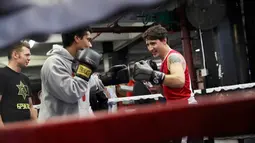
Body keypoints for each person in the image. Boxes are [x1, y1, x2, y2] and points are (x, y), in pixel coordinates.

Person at [38, 27, 105, 121]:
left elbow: (88, 86)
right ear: (77, 38)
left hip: (78, 129)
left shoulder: (77, 64)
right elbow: (72, 93)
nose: (90, 45)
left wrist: (108, 78)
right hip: (57, 131)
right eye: (88, 39)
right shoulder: (53, 63)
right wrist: (85, 70)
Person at [133, 25, 192, 101]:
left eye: (153, 43)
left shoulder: (173, 57)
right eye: (148, 45)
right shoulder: (164, 61)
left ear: (164, 40)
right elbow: (170, 92)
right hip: (175, 106)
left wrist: (154, 76)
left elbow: (179, 81)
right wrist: (157, 88)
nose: (150, 48)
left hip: (186, 106)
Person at [0, 41, 37, 126]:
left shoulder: (25, 78)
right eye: (27, 55)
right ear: (16, 55)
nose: (29, 58)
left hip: (26, 130)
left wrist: (37, 129)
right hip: (10, 132)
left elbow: (31, 107)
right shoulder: (2, 75)